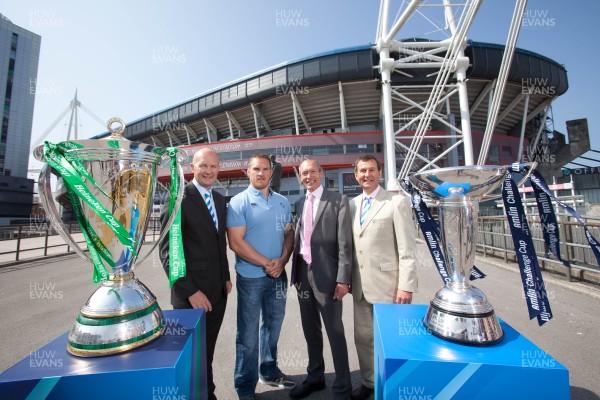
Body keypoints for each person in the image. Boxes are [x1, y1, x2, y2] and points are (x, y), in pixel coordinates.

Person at [159, 147, 232, 400]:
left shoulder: (220, 200)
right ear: (192, 168)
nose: (209, 171)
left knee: (207, 352)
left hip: (218, 294)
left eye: (213, 166)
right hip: (191, 296)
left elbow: (218, 243)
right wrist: (190, 291)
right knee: (188, 356)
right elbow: (168, 253)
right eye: (204, 166)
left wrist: (225, 276)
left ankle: (206, 394)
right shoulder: (178, 198)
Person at [227, 153, 295, 400]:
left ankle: (269, 370)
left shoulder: (282, 202)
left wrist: (283, 260)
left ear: (271, 172)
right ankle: (245, 387)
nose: (261, 173)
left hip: (278, 276)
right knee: (247, 335)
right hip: (251, 278)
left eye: (265, 169)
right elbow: (236, 243)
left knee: (273, 328)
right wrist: (267, 263)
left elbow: (289, 233)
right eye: (256, 169)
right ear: (248, 171)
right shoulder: (238, 202)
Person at [349, 155, 418, 400]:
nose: (366, 175)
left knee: (392, 340)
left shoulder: (396, 202)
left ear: (380, 172)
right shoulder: (352, 204)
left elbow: (407, 249)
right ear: (355, 176)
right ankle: (369, 383)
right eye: (361, 171)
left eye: (371, 170)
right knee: (363, 339)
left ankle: (396, 384)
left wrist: (406, 286)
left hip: (390, 287)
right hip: (360, 287)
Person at [289, 159, 352, 400]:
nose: (308, 177)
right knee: (310, 330)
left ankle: (343, 387)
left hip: (329, 277)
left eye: (312, 172)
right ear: (300, 177)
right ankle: (315, 377)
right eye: (304, 173)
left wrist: (343, 279)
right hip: (303, 275)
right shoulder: (299, 202)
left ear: (321, 173)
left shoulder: (338, 201)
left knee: (335, 332)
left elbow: (346, 244)